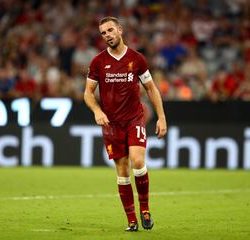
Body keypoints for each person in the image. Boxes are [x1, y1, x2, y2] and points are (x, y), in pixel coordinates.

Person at [84, 16, 167, 232]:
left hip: (134, 118)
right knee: (122, 169)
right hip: (111, 124)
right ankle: (131, 220)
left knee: (138, 161)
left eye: (110, 30)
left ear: (120, 30)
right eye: (103, 33)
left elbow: (151, 88)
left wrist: (161, 117)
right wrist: (97, 110)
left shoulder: (137, 59)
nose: (107, 35)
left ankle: (145, 209)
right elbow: (88, 93)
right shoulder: (98, 62)